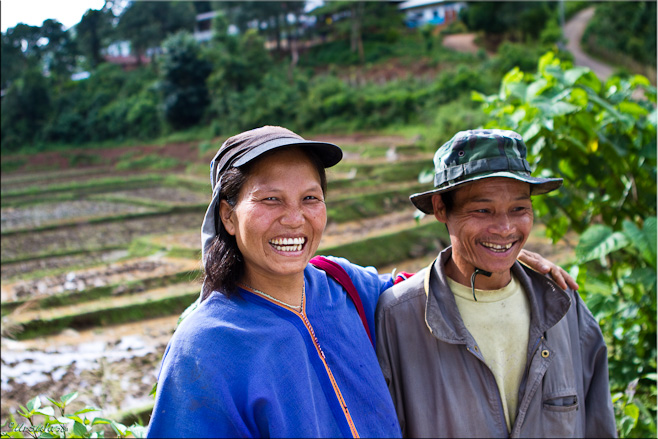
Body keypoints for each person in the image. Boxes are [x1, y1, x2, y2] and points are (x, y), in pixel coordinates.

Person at [147, 126, 577, 438]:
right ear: (227, 214)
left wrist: (500, 256)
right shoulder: (206, 345)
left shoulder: (345, 286)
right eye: (270, 199)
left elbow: (428, 289)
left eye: (310, 198)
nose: (294, 218)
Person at [375, 129, 617, 438]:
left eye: (519, 209)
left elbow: (599, 425)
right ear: (440, 208)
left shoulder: (563, 306)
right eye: (482, 210)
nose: (504, 229)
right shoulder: (398, 318)